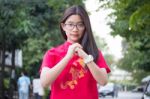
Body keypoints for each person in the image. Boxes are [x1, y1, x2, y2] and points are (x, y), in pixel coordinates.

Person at [40, 5, 111, 99]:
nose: (75, 29)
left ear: (85, 27)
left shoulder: (94, 52)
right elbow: (44, 82)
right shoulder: (52, 53)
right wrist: (67, 57)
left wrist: (86, 58)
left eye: (80, 24)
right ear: (63, 26)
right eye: (70, 24)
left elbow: (103, 81)